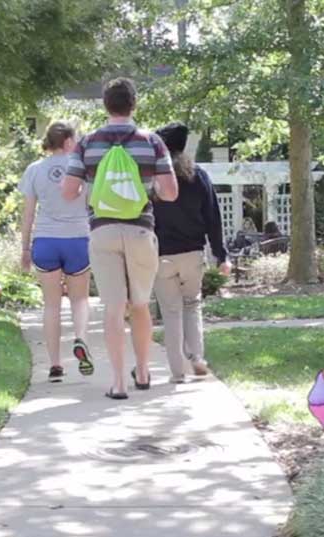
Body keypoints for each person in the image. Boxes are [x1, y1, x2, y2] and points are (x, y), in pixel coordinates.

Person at [61, 78, 178, 400]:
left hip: (103, 230)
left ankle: (118, 383)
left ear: (105, 105)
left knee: (113, 308)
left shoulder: (87, 143)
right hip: (141, 230)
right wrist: (143, 187)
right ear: (134, 104)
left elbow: (68, 192)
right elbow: (170, 192)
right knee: (140, 304)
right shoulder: (152, 142)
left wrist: (94, 185)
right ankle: (142, 371)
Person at [152, 122, 231, 383]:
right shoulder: (198, 175)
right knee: (192, 304)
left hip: (161, 255)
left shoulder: (153, 180)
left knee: (171, 311)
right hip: (193, 253)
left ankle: (177, 371)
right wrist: (221, 254)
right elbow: (213, 218)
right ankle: (197, 357)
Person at [19, 122, 94, 383]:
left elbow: (28, 213)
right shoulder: (81, 168)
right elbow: (91, 203)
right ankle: (81, 338)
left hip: (46, 241)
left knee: (51, 305)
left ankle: (54, 365)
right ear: (69, 141)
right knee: (80, 300)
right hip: (77, 239)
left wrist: (25, 249)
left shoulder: (34, 170)